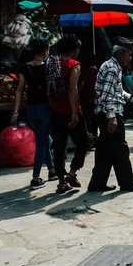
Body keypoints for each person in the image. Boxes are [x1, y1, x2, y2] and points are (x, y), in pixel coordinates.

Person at [87, 38, 133, 192]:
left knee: (105, 151)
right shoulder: (112, 68)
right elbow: (107, 94)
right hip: (110, 113)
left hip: (106, 112)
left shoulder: (112, 66)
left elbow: (116, 91)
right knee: (120, 148)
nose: (130, 58)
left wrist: (131, 97)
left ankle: (97, 183)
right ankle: (127, 182)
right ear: (121, 54)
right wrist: (112, 116)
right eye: (129, 55)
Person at [11, 38, 56, 190]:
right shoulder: (48, 67)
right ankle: (35, 178)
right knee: (42, 142)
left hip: (30, 109)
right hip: (45, 108)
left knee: (43, 139)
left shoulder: (25, 67)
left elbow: (19, 90)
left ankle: (51, 171)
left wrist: (16, 112)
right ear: (45, 51)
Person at [48, 35, 89, 194]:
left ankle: (61, 182)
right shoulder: (73, 65)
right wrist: (74, 113)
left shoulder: (52, 64)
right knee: (83, 142)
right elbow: (72, 90)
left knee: (59, 147)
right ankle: (72, 173)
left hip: (55, 111)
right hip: (70, 111)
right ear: (75, 49)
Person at [80, 54, 98, 149]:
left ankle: (89, 141)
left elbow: (82, 84)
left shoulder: (85, 71)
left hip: (85, 100)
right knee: (94, 122)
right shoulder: (97, 72)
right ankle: (94, 140)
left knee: (87, 121)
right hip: (95, 100)